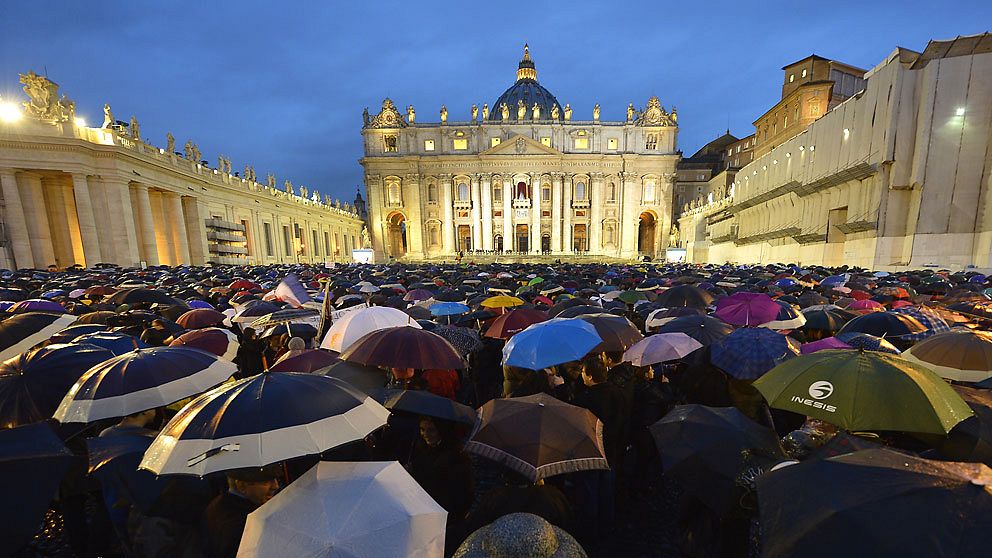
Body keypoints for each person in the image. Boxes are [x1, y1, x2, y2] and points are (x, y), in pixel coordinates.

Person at [405, 417, 473, 553]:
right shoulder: (421, 450)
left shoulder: (456, 456)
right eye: (422, 429)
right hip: (425, 513)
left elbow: (461, 492)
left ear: (441, 430)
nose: (425, 434)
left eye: (431, 430)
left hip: (445, 517)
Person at [200, 467, 281, 558]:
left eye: (276, 480)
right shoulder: (247, 523)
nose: (275, 486)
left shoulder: (216, 505)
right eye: (266, 482)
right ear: (241, 486)